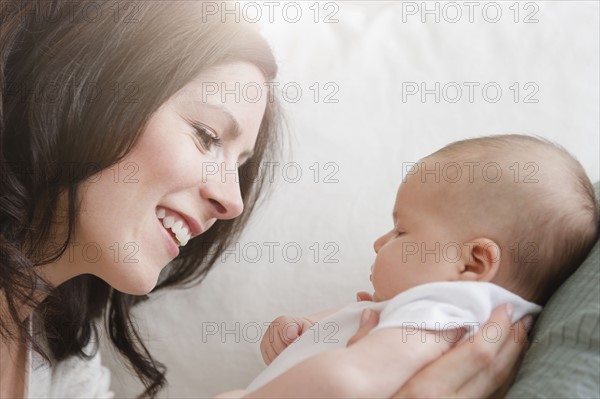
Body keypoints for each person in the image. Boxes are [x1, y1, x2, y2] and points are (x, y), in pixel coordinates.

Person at [0, 1, 533, 398]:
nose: (231, 200)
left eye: (240, 167)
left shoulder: (60, 368)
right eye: (207, 135)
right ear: (77, 90)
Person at [235, 135, 598, 398]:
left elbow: (349, 381)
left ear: (472, 263)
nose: (380, 243)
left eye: (401, 230)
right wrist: (307, 328)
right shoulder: (441, 313)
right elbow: (362, 327)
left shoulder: (446, 313)